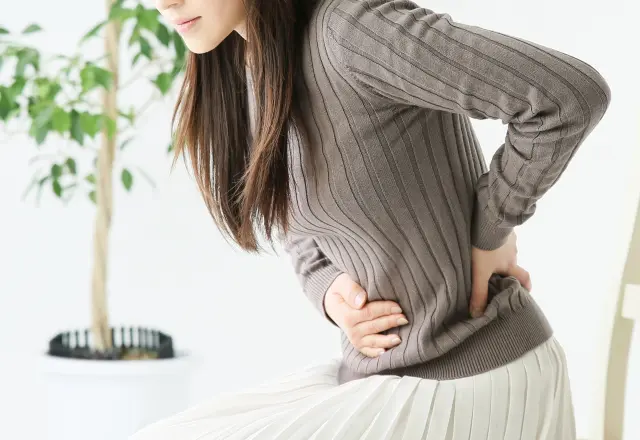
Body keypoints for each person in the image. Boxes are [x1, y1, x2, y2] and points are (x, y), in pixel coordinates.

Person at [133, 0, 611, 438]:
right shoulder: (255, 61)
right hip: (383, 375)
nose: (164, 2)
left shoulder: (352, 31)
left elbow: (566, 96)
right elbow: (296, 217)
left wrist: (492, 224)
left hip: (471, 375)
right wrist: (330, 289)